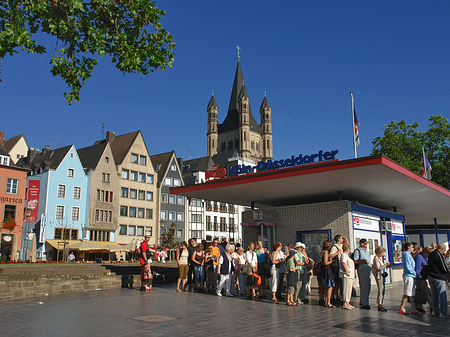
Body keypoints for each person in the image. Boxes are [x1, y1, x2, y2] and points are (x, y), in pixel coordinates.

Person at [427, 243, 450, 317]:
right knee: (442, 294)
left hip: (431, 276)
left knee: (434, 294)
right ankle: (443, 312)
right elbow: (443, 266)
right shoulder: (439, 255)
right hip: (438, 276)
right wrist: (448, 272)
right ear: (442, 248)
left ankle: (435, 311)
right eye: (444, 249)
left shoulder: (431, 254)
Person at [398, 242, 419, 315]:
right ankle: (402, 306)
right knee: (407, 292)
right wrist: (413, 273)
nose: (413, 248)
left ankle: (413, 308)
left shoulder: (409, 255)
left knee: (411, 293)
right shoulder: (406, 255)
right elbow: (408, 266)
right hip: (408, 275)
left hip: (411, 275)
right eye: (412, 247)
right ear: (408, 248)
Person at [354, 238, 371, 309]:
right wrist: (363, 260)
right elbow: (355, 261)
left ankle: (363, 300)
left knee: (368, 286)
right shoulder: (358, 251)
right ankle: (364, 303)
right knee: (364, 286)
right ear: (361, 244)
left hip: (368, 269)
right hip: (362, 269)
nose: (366, 245)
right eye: (365, 243)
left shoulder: (367, 251)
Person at [414, 246, 432, 313]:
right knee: (426, 292)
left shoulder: (424, 257)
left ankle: (419, 306)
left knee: (423, 292)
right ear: (425, 252)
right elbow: (417, 268)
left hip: (423, 277)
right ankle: (432, 306)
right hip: (420, 278)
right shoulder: (419, 257)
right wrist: (417, 277)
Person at [372, 246, 390, 312]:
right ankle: (379, 304)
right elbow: (378, 268)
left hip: (381, 275)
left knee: (382, 290)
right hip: (379, 276)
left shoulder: (379, 259)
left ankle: (381, 303)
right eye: (382, 253)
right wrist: (385, 265)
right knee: (380, 290)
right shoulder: (376, 259)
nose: (383, 254)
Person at [340, 243, 355, 310]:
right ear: (348, 249)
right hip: (346, 275)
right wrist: (346, 271)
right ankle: (345, 303)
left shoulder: (347, 256)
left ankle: (348, 302)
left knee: (349, 289)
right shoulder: (343, 255)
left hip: (350, 275)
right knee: (346, 289)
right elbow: (343, 263)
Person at [329, 235, 343, 304]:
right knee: (335, 281)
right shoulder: (335, 247)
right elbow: (330, 255)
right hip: (336, 265)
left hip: (340, 265)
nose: (342, 239)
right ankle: (333, 296)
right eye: (341, 238)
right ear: (338, 239)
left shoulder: (341, 246)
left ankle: (338, 295)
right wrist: (337, 252)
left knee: (339, 282)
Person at [321, 240, 335, 308]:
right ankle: (328, 302)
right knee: (330, 286)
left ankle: (326, 301)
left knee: (326, 287)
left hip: (324, 271)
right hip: (327, 270)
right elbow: (326, 262)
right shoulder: (326, 252)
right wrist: (331, 261)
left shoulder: (323, 252)